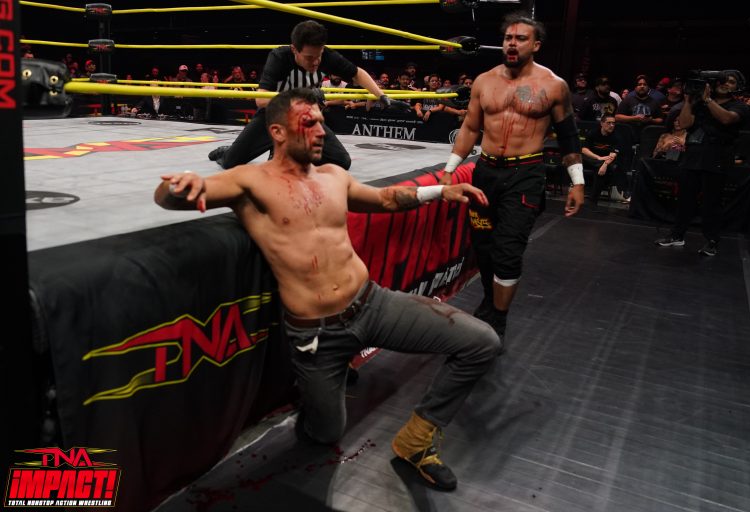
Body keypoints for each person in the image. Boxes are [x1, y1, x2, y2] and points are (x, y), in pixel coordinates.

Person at [156, 88, 501, 490]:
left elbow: (386, 200)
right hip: (318, 334)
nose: (322, 131)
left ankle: (417, 440)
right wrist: (179, 185)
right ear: (277, 132)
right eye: (310, 123)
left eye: (322, 121)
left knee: (482, 342)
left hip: (372, 303)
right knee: (326, 432)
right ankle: (315, 396)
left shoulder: (334, 176)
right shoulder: (251, 181)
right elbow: (169, 197)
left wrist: (441, 191)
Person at [438, 13, 584, 338]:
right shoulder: (484, 81)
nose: (512, 44)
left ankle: (498, 321)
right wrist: (449, 169)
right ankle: (491, 303)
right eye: (508, 38)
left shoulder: (553, 85)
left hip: (525, 174)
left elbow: (569, 136)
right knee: (483, 246)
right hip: (485, 172)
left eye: (520, 39)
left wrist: (578, 182)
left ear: (536, 45)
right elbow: (470, 128)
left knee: (507, 250)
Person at [207, 20, 407, 170]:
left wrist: (382, 97)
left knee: (341, 162)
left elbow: (357, 73)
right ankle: (230, 151)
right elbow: (261, 100)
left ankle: (288, 151)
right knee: (231, 162)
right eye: (310, 57)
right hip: (274, 117)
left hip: (306, 119)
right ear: (294, 49)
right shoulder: (279, 57)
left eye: (319, 56)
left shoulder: (325, 56)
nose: (316, 62)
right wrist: (303, 96)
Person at [655, 72, 750, 256]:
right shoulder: (699, 104)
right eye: (722, 80)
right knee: (685, 199)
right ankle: (677, 235)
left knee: (711, 202)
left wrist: (707, 100)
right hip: (693, 155)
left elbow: (726, 119)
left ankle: (712, 240)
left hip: (717, 157)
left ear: (737, 87)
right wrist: (689, 101)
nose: (725, 84)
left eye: (731, 82)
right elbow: (684, 123)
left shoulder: (738, 106)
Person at [581, 113, 622, 207]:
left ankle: (593, 201)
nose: (612, 125)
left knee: (603, 170)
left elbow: (613, 155)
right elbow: (584, 149)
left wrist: (604, 164)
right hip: (592, 159)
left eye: (613, 123)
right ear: (602, 123)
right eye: (609, 123)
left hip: (607, 161)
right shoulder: (593, 133)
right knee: (579, 159)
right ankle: (590, 200)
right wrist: (598, 158)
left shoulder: (616, 137)